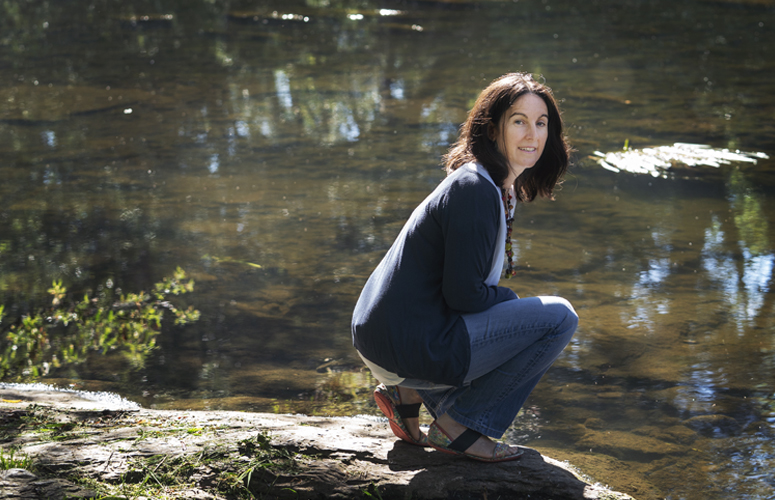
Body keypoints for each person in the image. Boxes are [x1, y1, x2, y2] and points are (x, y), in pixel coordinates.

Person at [351, 73, 578, 463]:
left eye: (541, 123)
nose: (533, 134)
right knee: (559, 317)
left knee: (508, 315)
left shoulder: (484, 182)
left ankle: (408, 395)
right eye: (519, 121)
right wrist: (510, 301)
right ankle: (459, 426)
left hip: (384, 335)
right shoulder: (476, 190)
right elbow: (463, 296)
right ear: (492, 130)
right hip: (403, 341)